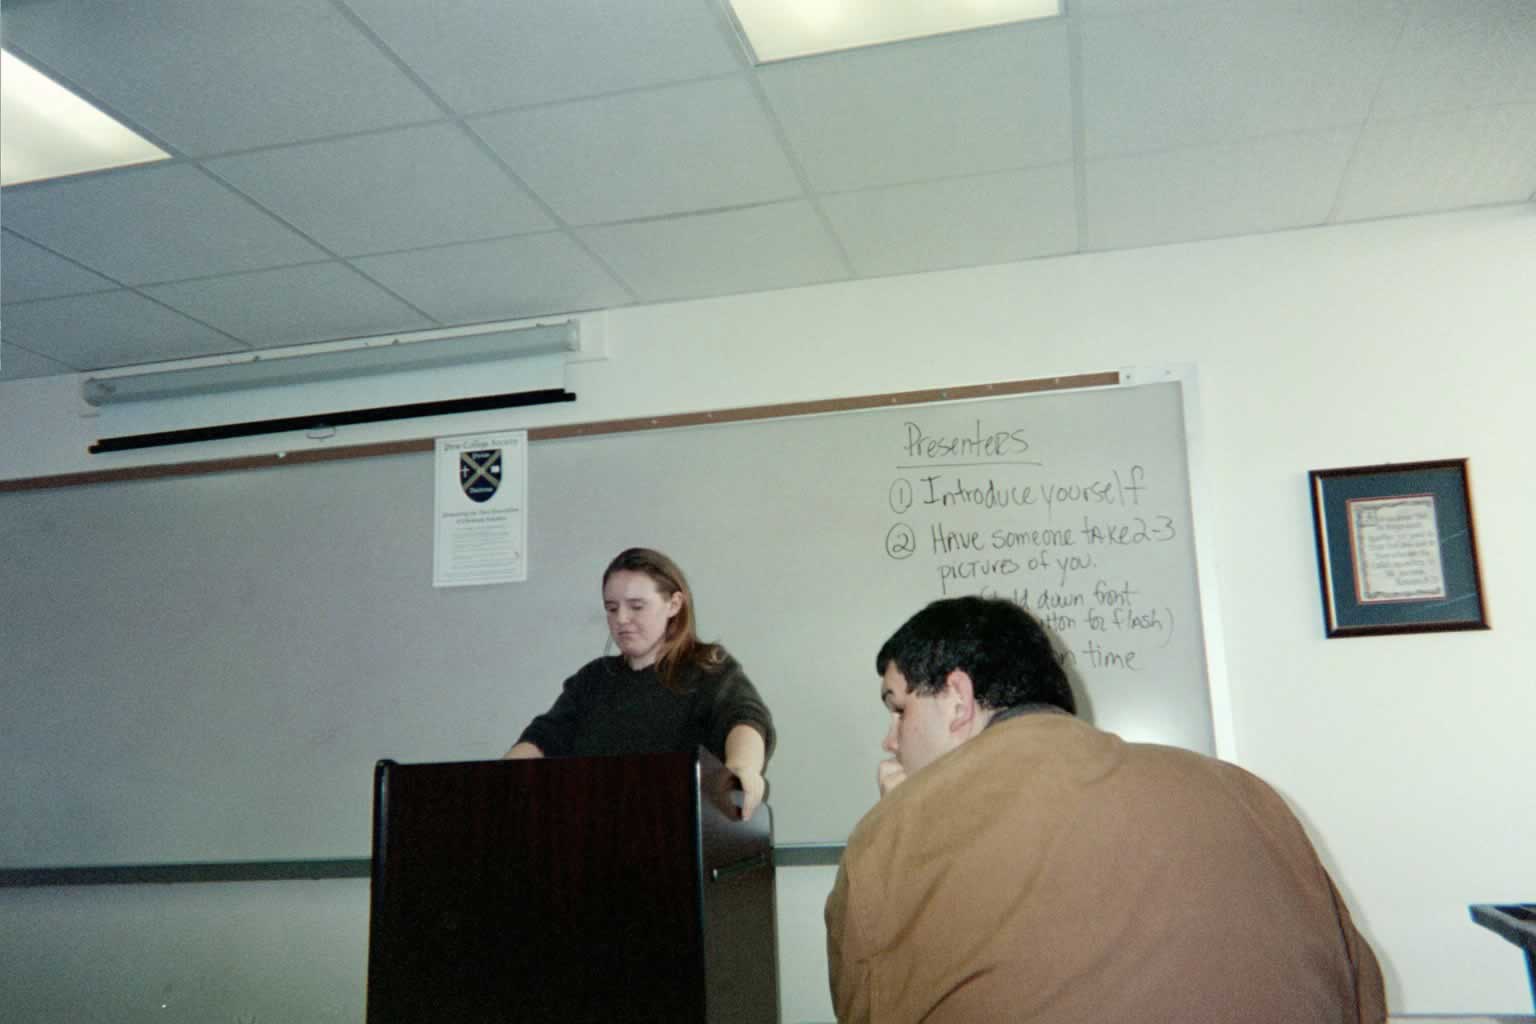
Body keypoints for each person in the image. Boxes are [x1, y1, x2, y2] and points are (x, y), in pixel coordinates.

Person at [825, 595, 1386, 1023]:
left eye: (898, 708)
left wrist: (905, 820)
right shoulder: (1250, 794)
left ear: (957, 698)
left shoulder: (896, 832)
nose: (890, 741)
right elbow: (1363, 995)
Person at [504, 547, 774, 821]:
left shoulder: (708, 669)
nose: (621, 619)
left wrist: (743, 770)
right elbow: (544, 738)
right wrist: (500, 781)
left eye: (636, 606)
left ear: (674, 604)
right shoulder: (593, 680)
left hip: (679, 830)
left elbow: (744, 719)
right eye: (612, 608)